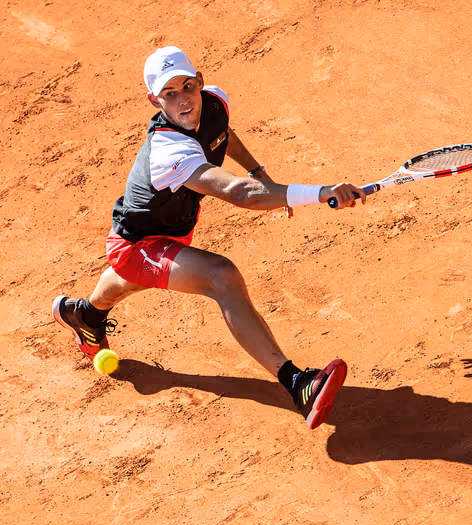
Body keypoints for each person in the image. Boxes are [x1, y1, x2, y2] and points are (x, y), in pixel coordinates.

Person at [52, 47, 365, 429]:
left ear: (200, 81)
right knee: (221, 276)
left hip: (172, 232)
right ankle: (298, 384)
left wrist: (259, 171)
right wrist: (320, 192)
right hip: (137, 246)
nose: (183, 99)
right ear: (154, 100)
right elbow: (238, 193)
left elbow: (222, 134)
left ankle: (84, 315)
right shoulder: (168, 149)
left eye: (188, 86)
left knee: (139, 279)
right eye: (169, 94)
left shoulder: (213, 101)